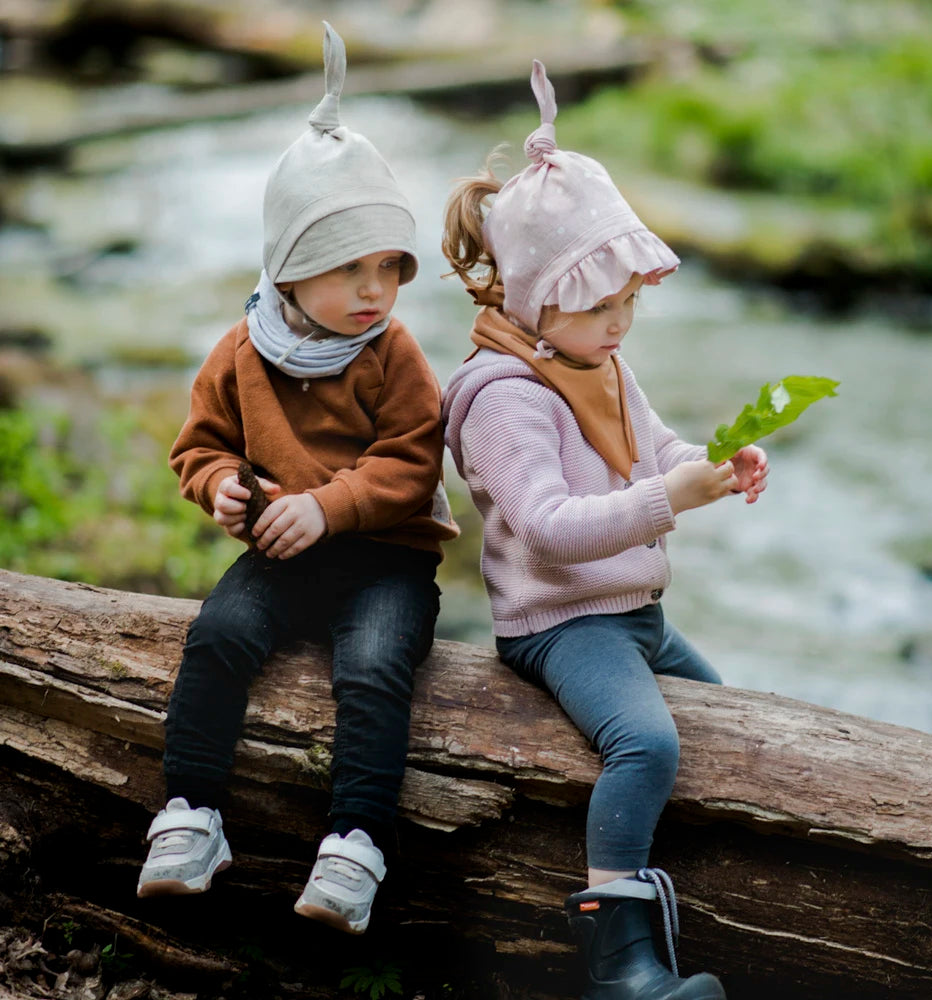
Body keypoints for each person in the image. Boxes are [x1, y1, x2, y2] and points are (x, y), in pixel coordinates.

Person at [441, 61, 767, 999]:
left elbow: (660, 447)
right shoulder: (504, 397)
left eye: (630, 301)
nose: (621, 323)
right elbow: (549, 530)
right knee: (648, 744)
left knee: (734, 722)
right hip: (562, 624)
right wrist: (677, 500)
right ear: (537, 301)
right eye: (599, 306)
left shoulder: (598, 363)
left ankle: (698, 902)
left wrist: (718, 459)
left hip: (633, 612)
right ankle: (618, 962)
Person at [136, 23, 458, 936]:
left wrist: (330, 505)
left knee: (374, 666)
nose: (373, 290)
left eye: (386, 268)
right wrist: (221, 489)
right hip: (282, 552)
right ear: (286, 268)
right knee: (220, 636)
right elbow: (197, 448)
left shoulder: (391, 352)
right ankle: (191, 817)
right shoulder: (243, 350)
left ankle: (356, 841)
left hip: (385, 559)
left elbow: (412, 460)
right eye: (346, 269)